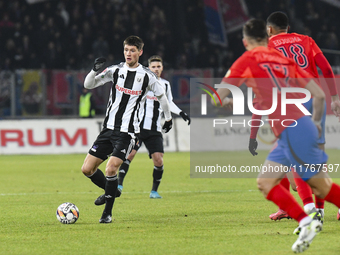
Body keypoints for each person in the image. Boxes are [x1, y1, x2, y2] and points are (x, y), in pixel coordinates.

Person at [213, 19, 340, 253]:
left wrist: (225, 101)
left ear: (245, 41)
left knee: (314, 184)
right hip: (299, 125)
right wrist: (316, 126)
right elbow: (319, 95)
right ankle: (306, 222)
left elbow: (219, 96)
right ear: (266, 35)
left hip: (291, 129)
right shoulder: (284, 60)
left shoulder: (246, 60)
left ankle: (307, 218)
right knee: (267, 181)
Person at [248, 11, 340, 221]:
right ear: (287, 27)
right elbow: (325, 67)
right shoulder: (306, 40)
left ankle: (310, 210)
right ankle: (319, 209)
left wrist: (254, 131)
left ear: (269, 30)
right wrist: (335, 97)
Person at [80, 36, 173, 224]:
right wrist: (93, 70)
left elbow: (162, 97)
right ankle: (112, 191)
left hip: (128, 132)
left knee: (111, 167)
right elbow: (88, 85)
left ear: (140, 52)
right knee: (87, 169)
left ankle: (107, 213)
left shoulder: (147, 75)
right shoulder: (115, 70)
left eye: (132, 50)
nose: (128, 54)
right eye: (126, 50)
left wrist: (168, 118)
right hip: (108, 130)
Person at [94, 55, 191, 204]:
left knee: (158, 159)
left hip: (154, 129)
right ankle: (118, 185)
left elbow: (168, 102)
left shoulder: (164, 85)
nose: (156, 69)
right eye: (153, 67)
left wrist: (180, 113)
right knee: (128, 156)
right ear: (149, 68)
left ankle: (154, 191)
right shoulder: (143, 79)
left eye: (159, 67)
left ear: (162, 68)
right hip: (137, 128)